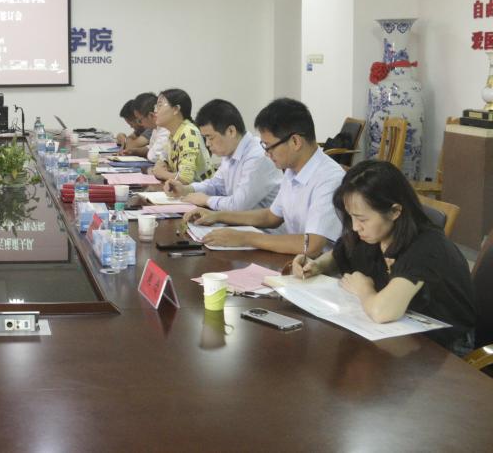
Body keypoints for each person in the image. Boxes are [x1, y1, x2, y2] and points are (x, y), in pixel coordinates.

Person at [292, 160, 476, 355]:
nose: (355, 227)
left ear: (395, 211)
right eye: (351, 216)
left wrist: (364, 289)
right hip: (401, 335)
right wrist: (317, 265)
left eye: (362, 219)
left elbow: (382, 312)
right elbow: (339, 255)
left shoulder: (427, 247)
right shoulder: (373, 234)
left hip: (445, 348)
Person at [185, 97, 344, 256]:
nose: (267, 154)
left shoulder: (329, 178)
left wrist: (245, 238)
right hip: (296, 261)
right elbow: (271, 216)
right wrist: (217, 216)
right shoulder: (292, 169)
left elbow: (312, 245)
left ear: (295, 142)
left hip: (320, 267)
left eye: (269, 146)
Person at [164, 99, 280, 211]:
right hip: (237, 220)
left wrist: (206, 200)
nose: (207, 144)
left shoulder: (258, 156)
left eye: (210, 137)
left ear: (231, 131)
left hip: (258, 224)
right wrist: (186, 189)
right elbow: (216, 185)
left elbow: (238, 205)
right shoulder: (231, 151)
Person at [149, 88, 213, 183]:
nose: (155, 111)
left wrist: (161, 173)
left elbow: (185, 178)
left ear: (176, 109)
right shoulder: (173, 133)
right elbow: (162, 159)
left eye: (159, 106)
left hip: (201, 189)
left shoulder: (188, 133)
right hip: (182, 189)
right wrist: (160, 165)